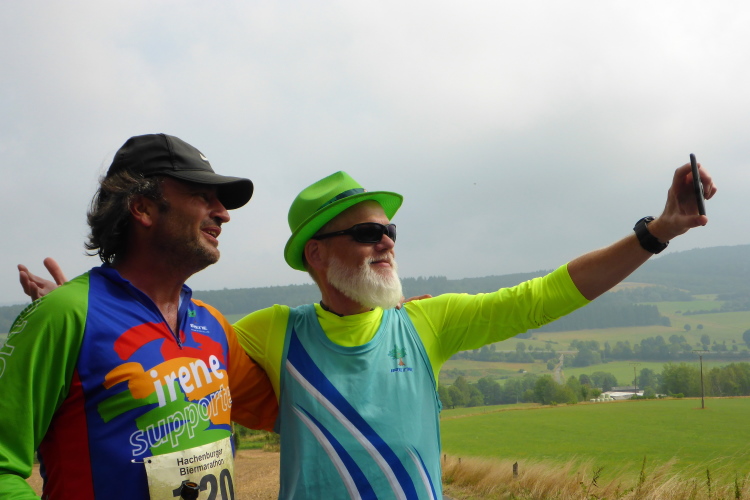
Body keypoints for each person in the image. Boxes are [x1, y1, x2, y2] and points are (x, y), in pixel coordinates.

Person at [17, 163, 717, 500]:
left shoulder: (426, 324)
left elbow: (547, 295)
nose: (386, 241)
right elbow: (165, 352)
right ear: (316, 257)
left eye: (390, 230)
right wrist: (91, 310)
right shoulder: (270, 332)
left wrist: (656, 232)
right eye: (365, 233)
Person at [1, 134, 277, 499]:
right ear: (143, 208)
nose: (223, 213)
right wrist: (79, 314)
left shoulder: (212, 325)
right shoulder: (65, 316)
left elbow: (289, 412)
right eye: (201, 196)